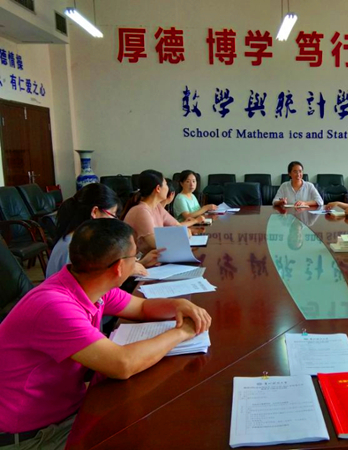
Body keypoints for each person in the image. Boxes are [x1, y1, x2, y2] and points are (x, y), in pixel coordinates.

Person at [0, 219, 211, 448]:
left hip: (68, 409)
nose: (137, 261)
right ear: (119, 267)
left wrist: (179, 304)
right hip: (34, 435)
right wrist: (181, 333)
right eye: (135, 257)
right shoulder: (55, 307)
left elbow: (141, 308)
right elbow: (122, 364)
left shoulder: (89, 283)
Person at [46, 183, 161, 278]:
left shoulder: (79, 240)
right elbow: (91, 285)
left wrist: (139, 264)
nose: (114, 221)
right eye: (113, 214)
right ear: (95, 212)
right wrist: (130, 269)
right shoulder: (75, 248)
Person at [123, 170, 198, 253]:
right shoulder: (141, 211)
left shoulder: (157, 207)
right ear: (158, 188)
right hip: (140, 258)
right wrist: (182, 235)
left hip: (155, 255)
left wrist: (183, 232)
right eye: (166, 184)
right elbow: (156, 243)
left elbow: (178, 226)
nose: (168, 188)